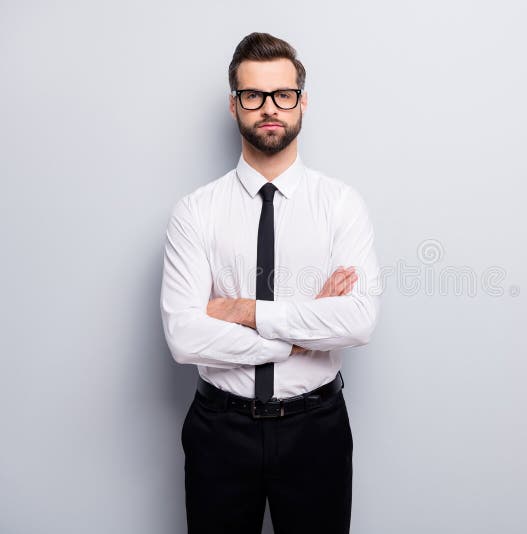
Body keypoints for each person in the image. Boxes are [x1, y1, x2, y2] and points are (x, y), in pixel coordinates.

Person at [159, 31, 381, 534]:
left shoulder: (341, 205)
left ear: (302, 101)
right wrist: (298, 338)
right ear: (234, 105)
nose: (269, 108)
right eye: (253, 96)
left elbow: (359, 320)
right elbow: (184, 336)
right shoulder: (196, 212)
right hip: (220, 430)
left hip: (315, 431)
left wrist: (243, 311)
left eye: (283, 94)